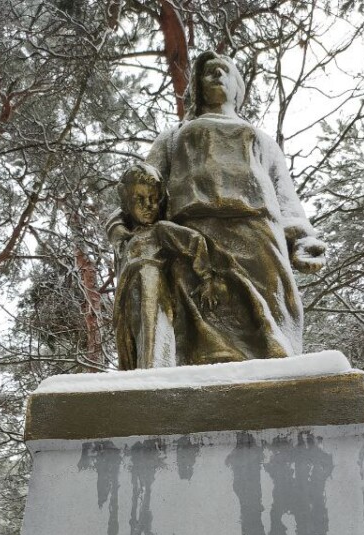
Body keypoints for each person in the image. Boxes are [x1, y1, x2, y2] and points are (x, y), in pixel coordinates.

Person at [108, 51, 326, 367]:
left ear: (238, 87)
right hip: (193, 238)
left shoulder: (261, 141)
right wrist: (120, 226)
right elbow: (140, 186)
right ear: (196, 87)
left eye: (224, 70)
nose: (216, 75)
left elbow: (286, 199)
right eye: (209, 71)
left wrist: (304, 240)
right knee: (199, 337)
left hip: (258, 236)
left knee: (269, 333)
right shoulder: (174, 136)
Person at [110, 162, 227, 370]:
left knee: (153, 331)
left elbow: (194, 241)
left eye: (154, 200)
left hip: (151, 283)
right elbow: (112, 222)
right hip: (128, 292)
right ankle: (137, 375)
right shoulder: (127, 236)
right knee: (131, 341)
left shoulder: (161, 229)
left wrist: (207, 277)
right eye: (140, 199)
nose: (148, 206)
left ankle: (155, 373)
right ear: (127, 202)